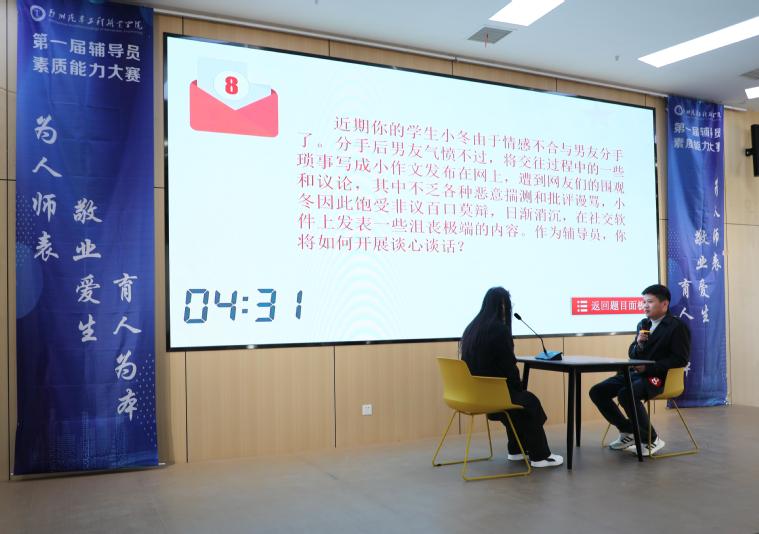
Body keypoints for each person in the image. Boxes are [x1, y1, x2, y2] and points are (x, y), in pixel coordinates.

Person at [460, 287, 563, 468]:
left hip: (474, 393)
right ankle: (540, 456)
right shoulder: (499, 330)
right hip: (493, 394)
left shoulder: (472, 328)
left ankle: (516, 450)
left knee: (520, 404)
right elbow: (509, 367)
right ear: (503, 307)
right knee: (528, 402)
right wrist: (518, 388)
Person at [589, 284, 691, 456]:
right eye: (643, 302)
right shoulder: (643, 324)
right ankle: (627, 431)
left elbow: (680, 359)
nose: (645, 306)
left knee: (626, 394)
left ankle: (651, 439)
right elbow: (632, 353)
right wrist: (639, 344)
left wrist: (650, 367)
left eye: (649, 302)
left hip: (659, 378)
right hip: (636, 374)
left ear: (664, 304)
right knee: (597, 391)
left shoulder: (677, 327)